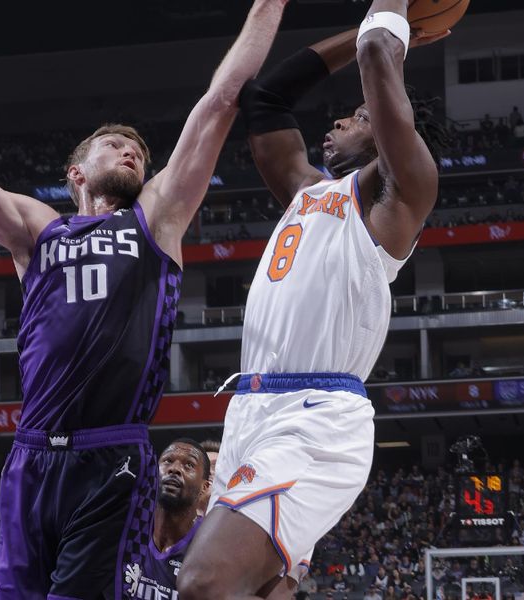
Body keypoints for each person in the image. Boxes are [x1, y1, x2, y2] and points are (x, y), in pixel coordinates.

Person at [0, 1, 289, 597]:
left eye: (139, 151)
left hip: (111, 459)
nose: (132, 151)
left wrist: (270, 4)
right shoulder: (34, 227)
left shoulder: (157, 218)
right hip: (30, 455)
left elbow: (219, 100)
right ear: (76, 170)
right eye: (115, 143)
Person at [178, 1, 445, 598]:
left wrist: (394, 16)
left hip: (316, 419)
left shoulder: (401, 196)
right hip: (251, 412)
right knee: (261, 589)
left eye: (354, 117)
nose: (334, 126)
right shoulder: (307, 190)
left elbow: (379, 56)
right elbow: (266, 98)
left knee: (202, 583)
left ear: (385, 123)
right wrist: (355, 35)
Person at [125, 439, 210, 599]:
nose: (174, 469)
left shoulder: (209, 546)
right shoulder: (126, 528)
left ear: (204, 487)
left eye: (189, 465)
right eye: (168, 461)